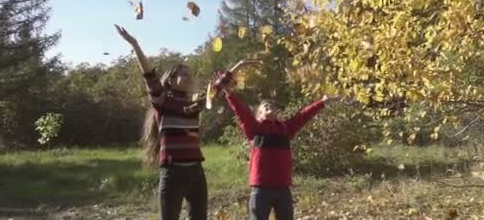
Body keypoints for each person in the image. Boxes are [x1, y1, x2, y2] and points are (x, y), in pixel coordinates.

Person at [212, 64, 338, 220]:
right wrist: (228, 93)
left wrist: (322, 102)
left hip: (283, 188)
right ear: (259, 115)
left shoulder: (286, 128)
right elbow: (241, 111)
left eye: (273, 106)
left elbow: (303, 115)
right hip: (261, 189)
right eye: (265, 107)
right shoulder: (255, 129)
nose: (270, 107)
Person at [115, 24, 208, 220]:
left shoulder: (195, 105)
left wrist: (239, 67)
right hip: (173, 173)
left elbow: (218, 88)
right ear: (172, 80)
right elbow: (149, 75)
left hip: (196, 172)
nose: (189, 76)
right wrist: (135, 44)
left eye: (190, 73)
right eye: (184, 73)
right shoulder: (164, 101)